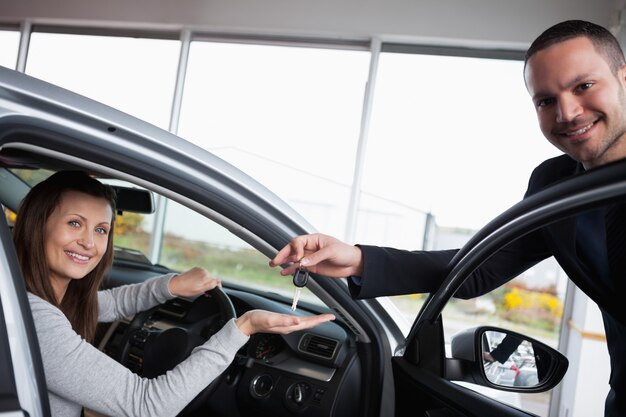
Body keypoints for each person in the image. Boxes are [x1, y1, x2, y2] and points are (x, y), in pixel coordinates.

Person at [270, 20, 626, 417]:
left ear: (623, 77)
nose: (568, 112)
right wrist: (357, 258)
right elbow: (476, 270)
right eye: (545, 100)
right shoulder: (554, 183)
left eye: (584, 86)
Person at [13, 170, 335, 417]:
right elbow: (147, 406)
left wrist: (171, 286)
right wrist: (243, 328)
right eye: (74, 223)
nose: (89, 243)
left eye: (100, 230)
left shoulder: (24, 299)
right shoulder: (37, 320)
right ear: (37, 224)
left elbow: (106, 304)